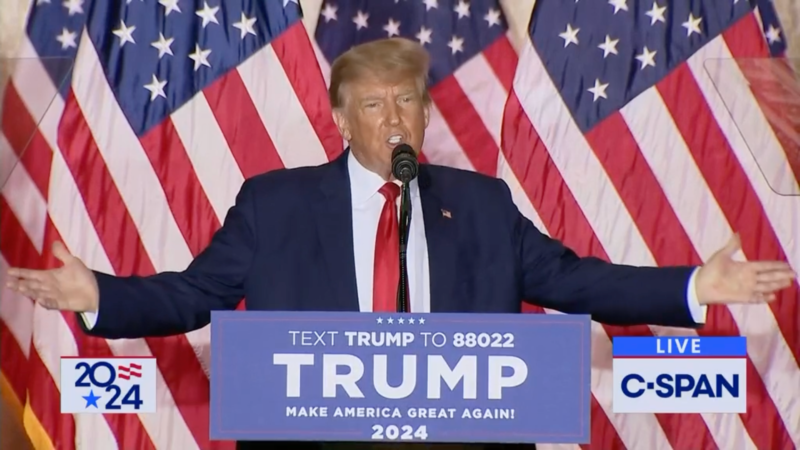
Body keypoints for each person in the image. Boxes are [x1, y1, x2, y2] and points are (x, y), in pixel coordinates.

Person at [6, 37, 796, 450]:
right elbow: (195, 293)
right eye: (374, 105)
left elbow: (576, 279)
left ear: (424, 116)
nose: (394, 120)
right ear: (342, 121)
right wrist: (100, 295)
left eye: (408, 103)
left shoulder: (481, 206)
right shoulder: (275, 204)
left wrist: (695, 286)